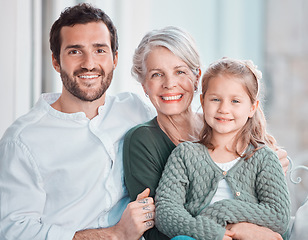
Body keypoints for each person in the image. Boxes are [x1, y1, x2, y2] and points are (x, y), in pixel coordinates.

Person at [0, 3, 156, 240]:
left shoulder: (134, 109)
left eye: (100, 50)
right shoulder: (22, 140)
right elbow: (13, 230)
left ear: (115, 58)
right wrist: (115, 235)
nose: (89, 63)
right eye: (75, 51)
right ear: (55, 61)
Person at [123, 27, 290, 240]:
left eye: (180, 71)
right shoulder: (165, 148)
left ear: (196, 78)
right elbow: (162, 223)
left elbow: (279, 225)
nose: (169, 83)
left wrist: (229, 218)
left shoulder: (250, 144)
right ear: (144, 85)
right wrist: (226, 231)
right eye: (157, 74)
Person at [154, 57, 291, 240]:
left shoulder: (263, 158)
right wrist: (213, 233)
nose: (224, 109)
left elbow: (278, 216)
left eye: (235, 101)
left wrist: (223, 212)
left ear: (252, 108)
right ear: (203, 102)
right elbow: (166, 213)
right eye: (216, 99)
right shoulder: (184, 155)